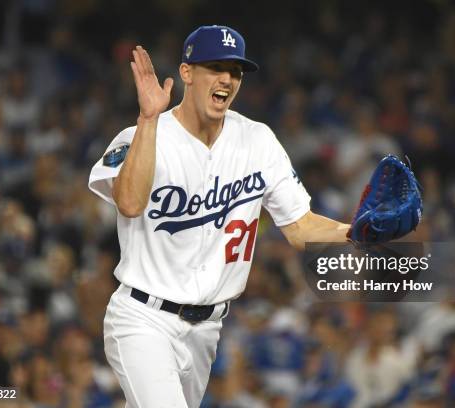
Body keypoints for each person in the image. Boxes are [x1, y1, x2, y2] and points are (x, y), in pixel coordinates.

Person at [88, 25, 351, 408]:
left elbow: (300, 227)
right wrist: (147, 120)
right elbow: (128, 203)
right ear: (187, 73)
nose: (226, 79)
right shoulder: (142, 135)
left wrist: (360, 231)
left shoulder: (257, 140)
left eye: (236, 71)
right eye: (215, 67)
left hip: (206, 330)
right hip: (143, 319)